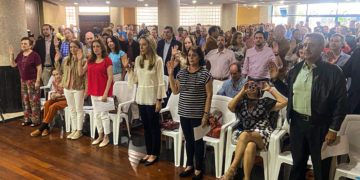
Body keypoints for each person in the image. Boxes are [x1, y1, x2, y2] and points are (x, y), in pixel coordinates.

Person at [269, 33, 348, 180]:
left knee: (321, 168)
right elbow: (290, 93)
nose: (306, 48)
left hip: (320, 125)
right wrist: (276, 80)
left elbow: (341, 103)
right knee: (297, 164)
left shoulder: (333, 72)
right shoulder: (296, 69)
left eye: (311, 45)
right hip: (298, 124)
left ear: (322, 48)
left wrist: (333, 129)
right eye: (304, 45)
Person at [221, 80, 287, 180]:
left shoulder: (264, 102)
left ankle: (232, 169)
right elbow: (230, 106)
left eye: (255, 86)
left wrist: (270, 89)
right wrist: (242, 91)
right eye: (249, 86)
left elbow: (284, 102)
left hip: (263, 133)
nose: (252, 88)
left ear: (259, 90)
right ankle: (246, 178)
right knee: (250, 146)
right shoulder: (242, 103)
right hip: (247, 135)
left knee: (244, 135)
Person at [167, 46, 213, 180]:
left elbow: (209, 95)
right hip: (184, 112)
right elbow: (175, 91)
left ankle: (199, 168)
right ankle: (189, 165)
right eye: (189, 55)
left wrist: (206, 114)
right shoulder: (182, 73)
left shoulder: (205, 74)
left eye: (194, 55)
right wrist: (170, 75)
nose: (191, 58)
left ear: (199, 57)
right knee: (188, 140)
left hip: (198, 114)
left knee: (198, 141)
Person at [125, 35, 166, 166]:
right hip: (141, 97)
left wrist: (159, 100)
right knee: (146, 128)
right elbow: (135, 79)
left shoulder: (158, 60)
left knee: (154, 127)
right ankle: (149, 152)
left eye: (144, 44)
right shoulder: (138, 59)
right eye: (140, 44)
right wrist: (128, 70)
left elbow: (160, 82)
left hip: (153, 97)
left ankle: (155, 154)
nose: (141, 47)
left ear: (150, 45)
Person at [79, 39, 113, 147]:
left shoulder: (107, 60)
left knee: (104, 115)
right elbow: (81, 73)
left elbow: (110, 78)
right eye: (93, 47)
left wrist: (106, 93)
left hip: (103, 91)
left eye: (98, 46)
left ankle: (107, 137)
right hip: (93, 90)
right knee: (97, 115)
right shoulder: (90, 60)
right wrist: (80, 60)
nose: (95, 48)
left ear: (102, 47)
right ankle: (100, 135)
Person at [55, 40, 86, 140]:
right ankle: (74, 129)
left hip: (78, 87)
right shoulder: (66, 59)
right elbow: (60, 72)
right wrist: (56, 62)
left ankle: (79, 130)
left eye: (75, 47)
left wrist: (86, 90)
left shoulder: (84, 60)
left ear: (79, 48)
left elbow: (84, 76)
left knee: (79, 109)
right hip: (68, 87)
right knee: (72, 109)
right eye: (71, 47)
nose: (73, 49)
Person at [9, 37, 42, 126]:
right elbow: (13, 65)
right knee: (25, 100)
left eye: (25, 44)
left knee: (34, 100)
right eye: (22, 43)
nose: (23, 45)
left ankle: (36, 120)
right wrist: (11, 54)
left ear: (30, 45)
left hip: (33, 80)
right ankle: (28, 119)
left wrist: (38, 81)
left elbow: (39, 68)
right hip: (23, 81)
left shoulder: (35, 55)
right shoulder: (20, 55)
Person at [30, 68, 67, 136]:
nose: (56, 76)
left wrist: (58, 95)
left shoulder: (66, 81)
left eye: (57, 74)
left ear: (61, 74)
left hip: (67, 99)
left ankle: (42, 128)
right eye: (54, 75)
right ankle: (46, 128)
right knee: (47, 103)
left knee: (54, 106)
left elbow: (68, 95)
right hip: (59, 98)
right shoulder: (54, 82)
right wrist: (53, 95)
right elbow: (56, 92)